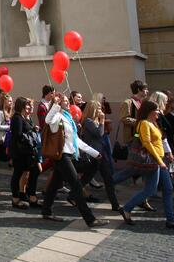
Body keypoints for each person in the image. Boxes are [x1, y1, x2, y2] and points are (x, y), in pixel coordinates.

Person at [119, 100, 174, 230]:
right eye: (157, 109)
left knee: (167, 189)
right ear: (149, 111)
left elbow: (161, 141)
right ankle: (127, 208)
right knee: (151, 189)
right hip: (154, 161)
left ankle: (171, 219)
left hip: (159, 159)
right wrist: (160, 161)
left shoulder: (153, 123)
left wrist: (167, 154)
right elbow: (147, 143)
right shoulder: (144, 123)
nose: (159, 111)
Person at [41, 93, 108, 227]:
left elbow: (76, 141)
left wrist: (94, 153)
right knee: (76, 185)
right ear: (58, 104)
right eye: (64, 100)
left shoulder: (68, 118)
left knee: (54, 185)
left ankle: (46, 210)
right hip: (62, 156)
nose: (67, 102)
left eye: (66, 100)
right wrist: (55, 104)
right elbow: (48, 120)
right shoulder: (57, 117)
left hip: (69, 154)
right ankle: (90, 219)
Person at [81, 100, 121, 211]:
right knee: (86, 178)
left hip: (100, 154)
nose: (100, 110)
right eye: (98, 108)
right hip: (93, 154)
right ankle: (72, 195)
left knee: (108, 178)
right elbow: (98, 133)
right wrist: (102, 121)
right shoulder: (88, 121)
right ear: (93, 109)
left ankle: (115, 204)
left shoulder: (96, 121)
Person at [10, 97, 41, 209]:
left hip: (27, 152)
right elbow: (18, 135)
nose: (28, 107)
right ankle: (15, 200)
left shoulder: (23, 117)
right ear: (21, 106)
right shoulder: (17, 118)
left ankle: (31, 196)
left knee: (35, 171)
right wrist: (31, 134)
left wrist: (33, 130)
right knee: (17, 174)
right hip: (19, 152)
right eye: (26, 105)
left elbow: (26, 130)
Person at [120, 80, 148, 144]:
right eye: (145, 89)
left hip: (143, 136)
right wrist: (140, 122)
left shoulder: (143, 103)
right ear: (139, 90)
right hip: (133, 137)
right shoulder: (127, 103)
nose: (147, 91)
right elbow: (124, 118)